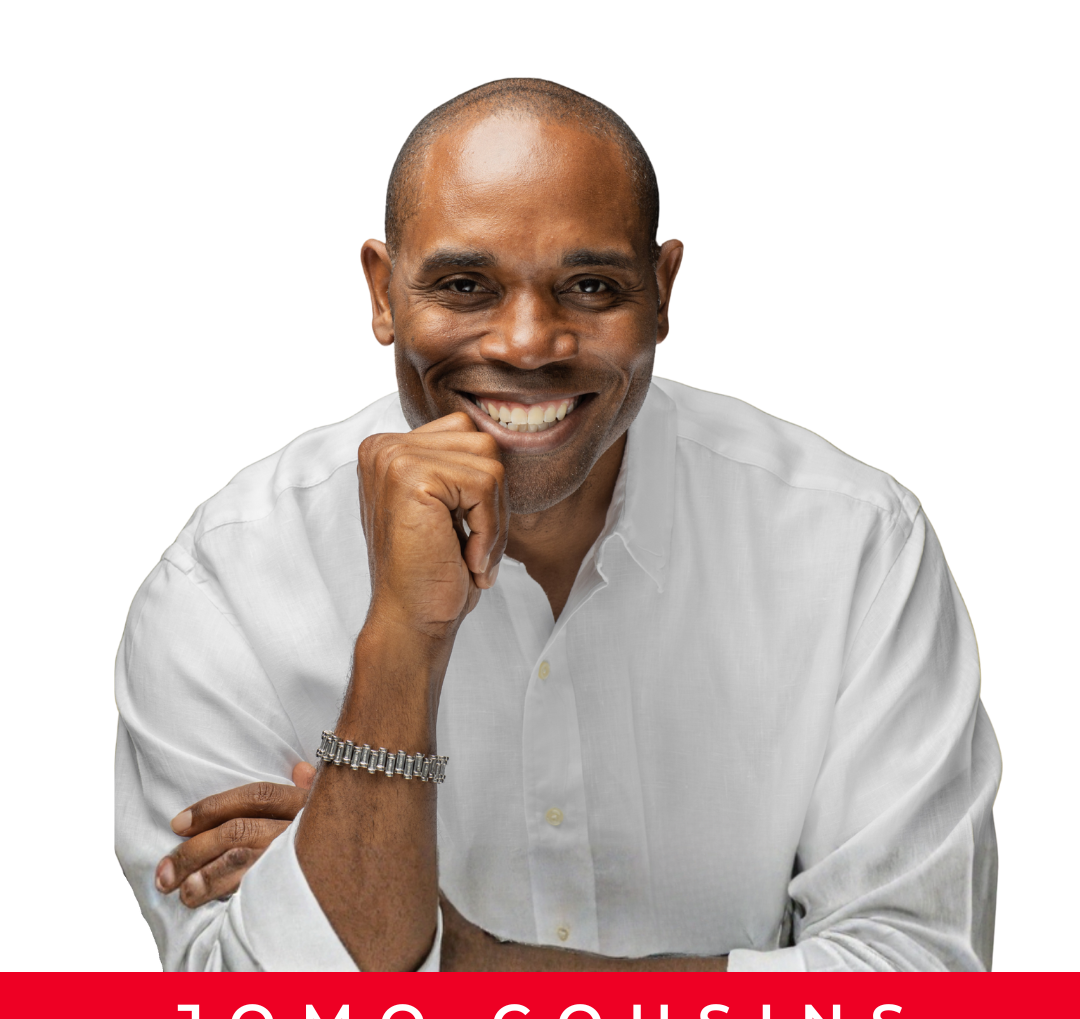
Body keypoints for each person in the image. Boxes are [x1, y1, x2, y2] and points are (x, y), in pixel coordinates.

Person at [115, 78, 1001, 972]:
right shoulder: (223, 585)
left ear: (661, 292)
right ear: (384, 294)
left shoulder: (852, 547)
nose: (529, 343)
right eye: (466, 285)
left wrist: (464, 965)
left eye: (590, 285)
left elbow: (924, 1003)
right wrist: (401, 642)